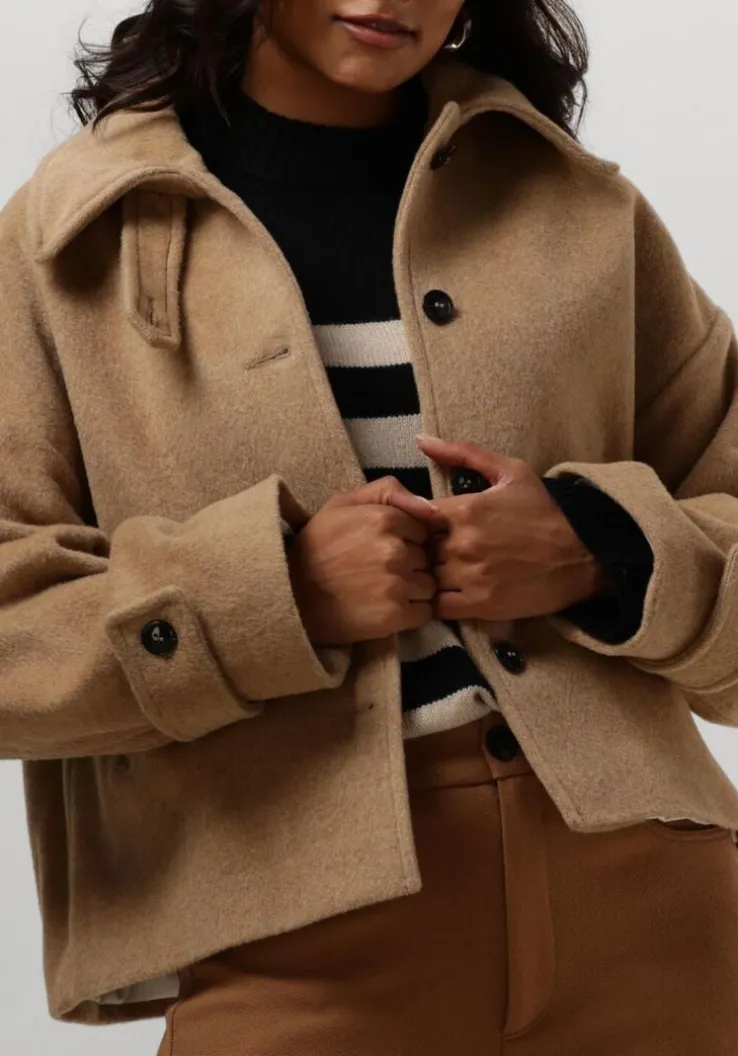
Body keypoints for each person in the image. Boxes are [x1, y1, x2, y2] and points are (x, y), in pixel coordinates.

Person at [2, 0, 738, 1051]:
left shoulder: (575, 207)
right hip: (285, 941)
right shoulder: (72, 239)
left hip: (654, 908)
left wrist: (599, 547)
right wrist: (276, 598)